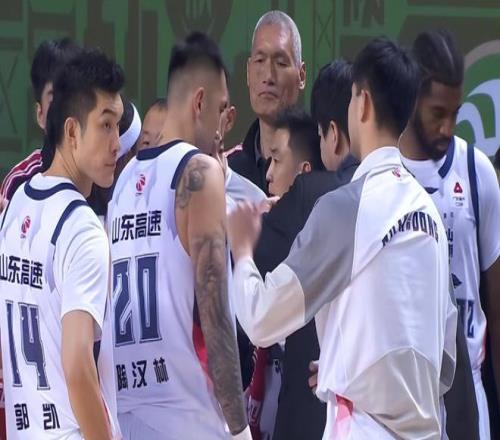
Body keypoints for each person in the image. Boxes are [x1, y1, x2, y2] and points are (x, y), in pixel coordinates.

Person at [228, 38, 457, 439]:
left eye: (351, 97)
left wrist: (243, 250)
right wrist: (349, 367)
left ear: (362, 103)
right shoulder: (430, 215)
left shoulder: (347, 207)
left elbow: (262, 319)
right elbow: (442, 360)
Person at [107, 32, 250, 440]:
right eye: (221, 109)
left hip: (126, 416)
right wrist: (240, 429)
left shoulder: (122, 184)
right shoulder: (199, 173)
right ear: (199, 102)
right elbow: (216, 314)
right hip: (186, 421)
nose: (223, 126)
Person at [0, 47, 124, 439]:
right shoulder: (82, 228)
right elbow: (77, 367)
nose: (117, 143)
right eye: (106, 125)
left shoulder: (14, 206)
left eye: (119, 125)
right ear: (71, 131)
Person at [400, 29, 500, 440]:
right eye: (437, 112)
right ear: (411, 99)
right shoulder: (381, 174)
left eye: (455, 113)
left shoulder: (478, 173)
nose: (448, 126)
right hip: (400, 396)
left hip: (467, 390)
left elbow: (496, 306)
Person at [256, 60, 358, 440]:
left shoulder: (311, 197)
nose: (268, 173)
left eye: (276, 159)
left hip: (314, 418)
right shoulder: (416, 204)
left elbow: (257, 316)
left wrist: (243, 234)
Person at [226, 10, 305, 193]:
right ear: (248, 72)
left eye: (281, 63)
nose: (268, 76)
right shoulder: (226, 171)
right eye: (260, 60)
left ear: (301, 76)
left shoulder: (322, 163)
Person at [0, 38, 83, 202]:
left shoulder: (104, 175)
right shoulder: (18, 183)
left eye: (73, 96)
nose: (66, 108)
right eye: (55, 99)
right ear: (40, 115)